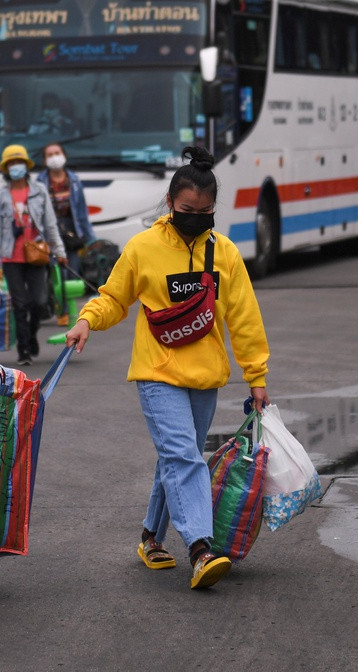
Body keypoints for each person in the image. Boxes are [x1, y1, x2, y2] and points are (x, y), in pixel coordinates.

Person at [64, 145, 271, 591]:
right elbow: (114, 297)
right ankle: (200, 547)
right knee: (184, 457)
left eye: (205, 211)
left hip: (205, 377)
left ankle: (150, 537)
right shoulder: (143, 248)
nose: (195, 216)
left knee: (177, 460)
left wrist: (257, 376)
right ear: (170, 204)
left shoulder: (227, 254)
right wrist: (86, 321)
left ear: (214, 208)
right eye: (186, 209)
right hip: (157, 373)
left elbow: (245, 318)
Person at [0, 144, 66, 366]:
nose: (16, 167)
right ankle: (24, 349)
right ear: (6, 168)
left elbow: (50, 225)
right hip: (11, 258)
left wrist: (59, 251)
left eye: (18, 162)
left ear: (26, 165)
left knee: (39, 302)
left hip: (37, 255)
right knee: (20, 304)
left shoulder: (39, 191)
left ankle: (32, 335)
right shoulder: (1, 196)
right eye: (11, 164)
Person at [35, 141, 96, 278]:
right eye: (50, 155)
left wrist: (91, 239)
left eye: (57, 153)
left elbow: (82, 214)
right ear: (45, 161)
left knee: (72, 273)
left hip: (71, 234)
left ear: (64, 156)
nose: (54, 157)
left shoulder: (74, 181)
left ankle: (70, 300)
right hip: (50, 234)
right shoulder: (39, 183)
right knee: (55, 274)